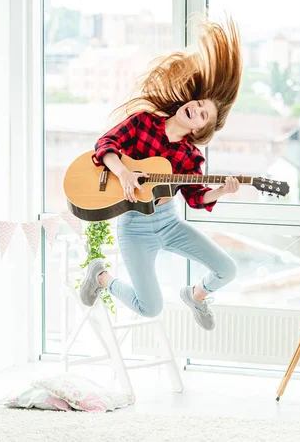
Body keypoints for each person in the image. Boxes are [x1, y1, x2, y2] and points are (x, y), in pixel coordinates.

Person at [79, 17, 243, 331]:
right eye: (198, 103)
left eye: (204, 114)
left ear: (200, 128)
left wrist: (221, 191)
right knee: (151, 307)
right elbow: (105, 144)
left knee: (227, 268)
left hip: (169, 223)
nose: (196, 108)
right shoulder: (143, 123)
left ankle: (196, 295)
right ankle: (101, 276)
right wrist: (125, 173)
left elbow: (196, 198)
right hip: (134, 227)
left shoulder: (190, 156)